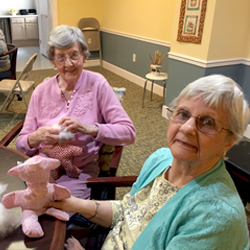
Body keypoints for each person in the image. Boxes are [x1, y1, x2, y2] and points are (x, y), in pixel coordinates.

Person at [48, 74, 250, 250]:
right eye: (183, 114)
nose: (187, 128)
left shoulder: (214, 218)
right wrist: (71, 203)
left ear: (229, 141)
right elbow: (129, 211)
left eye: (208, 122)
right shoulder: (161, 159)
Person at [16, 25, 136, 203]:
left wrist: (91, 129)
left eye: (74, 55)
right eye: (61, 57)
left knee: (58, 211)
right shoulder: (40, 91)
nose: (69, 64)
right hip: (41, 168)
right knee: (20, 206)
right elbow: (21, 144)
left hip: (79, 172)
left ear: (84, 57)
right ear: (53, 61)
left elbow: (128, 133)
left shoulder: (98, 84)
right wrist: (36, 137)